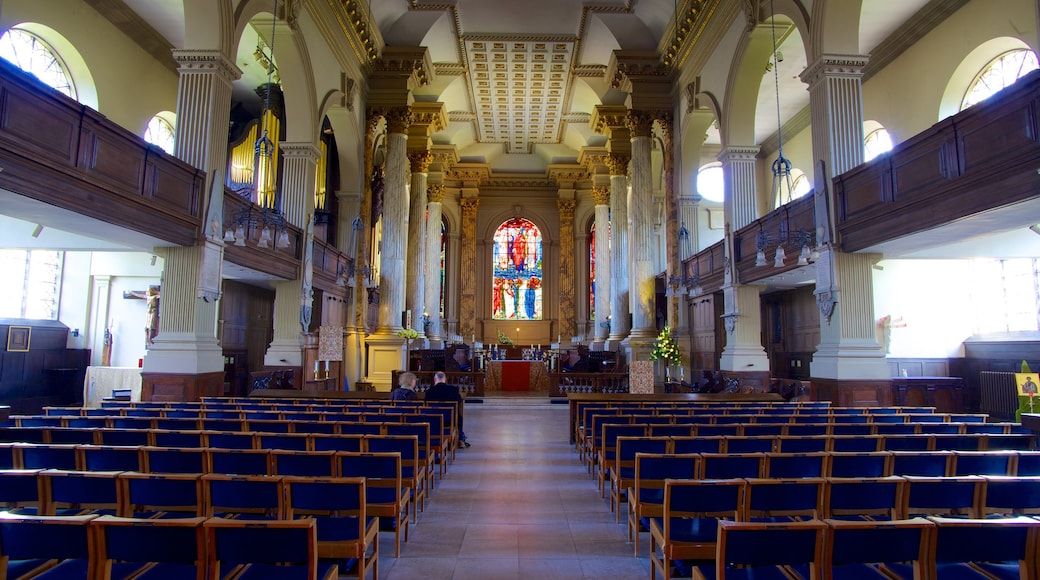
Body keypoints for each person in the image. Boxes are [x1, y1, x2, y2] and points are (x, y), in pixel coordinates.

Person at [425, 371, 469, 447]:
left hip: (433, 418)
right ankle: (460, 438)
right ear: (445, 380)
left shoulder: (429, 391)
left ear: (435, 380)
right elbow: (459, 401)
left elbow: (425, 404)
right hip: (450, 419)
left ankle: (431, 438)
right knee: (459, 417)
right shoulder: (453, 390)